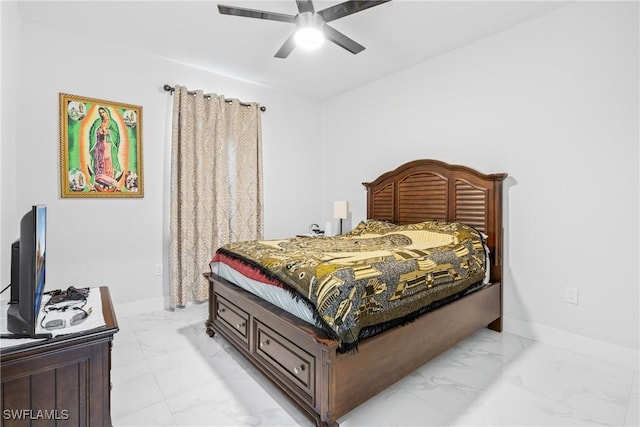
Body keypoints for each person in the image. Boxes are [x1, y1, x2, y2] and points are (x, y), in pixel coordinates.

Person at [88, 107, 121, 189]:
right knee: (99, 161)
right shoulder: (97, 122)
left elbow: (116, 135)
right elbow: (91, 132)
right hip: (99, 145)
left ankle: (109, 179)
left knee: (108, 162)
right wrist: (98, 131)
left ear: (107, 112)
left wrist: (108, 132)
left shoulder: (113, 123)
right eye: (100, 112)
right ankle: (100, 178)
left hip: (108, 146)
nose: (102, 114)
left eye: (103, 112)